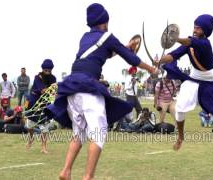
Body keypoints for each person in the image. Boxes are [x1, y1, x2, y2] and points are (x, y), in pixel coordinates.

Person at [45, 3, 156, 179]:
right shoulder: (108, 36)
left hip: (72, 88)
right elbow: (132, 59)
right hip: (88, 88)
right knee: (99, 133)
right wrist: (151, 69)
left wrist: (124, 46)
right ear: (105, 21)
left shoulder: (85, 37)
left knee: (79, 133)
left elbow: (103, 52)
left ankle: (66, 170)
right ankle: (88, 176)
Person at [157, 14, 213, 156]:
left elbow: (188, 42)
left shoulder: (204, 43)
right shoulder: (189, 44)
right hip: (193, 80)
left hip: (211, 83)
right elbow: (173, 55)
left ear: (205, 30)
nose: (195, 30)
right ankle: (180, 136)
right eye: (194, 27)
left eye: (198, 28)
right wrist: (160, 61)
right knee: (180, 108)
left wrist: (174, 38)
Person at [25, 59, 56, 154]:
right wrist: (51, 89)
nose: (47, 71)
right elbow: (43, 90)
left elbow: (53, 91)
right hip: (34, 103)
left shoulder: (53, 78)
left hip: (45, 104)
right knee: (29, 125)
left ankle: (43, 147)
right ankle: (31, 139)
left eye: (49, 69)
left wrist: (54, 90)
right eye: (45, 69)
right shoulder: (37, 77)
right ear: (42, 69)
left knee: (44, 126)